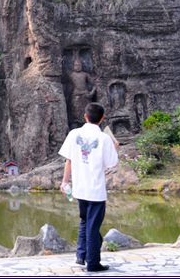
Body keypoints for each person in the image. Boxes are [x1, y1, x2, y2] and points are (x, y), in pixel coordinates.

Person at [59, 102, 119, 272]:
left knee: (85, 221)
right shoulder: (104, 138)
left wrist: (65, 181)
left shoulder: (74, 134)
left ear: (85, 116)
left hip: (80, 188)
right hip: (96, 190)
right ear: (102, 119)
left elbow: (68, 160)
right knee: (93, 226)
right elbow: (111, 163)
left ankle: (81, 255)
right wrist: (116, 148)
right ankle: (93, 263)